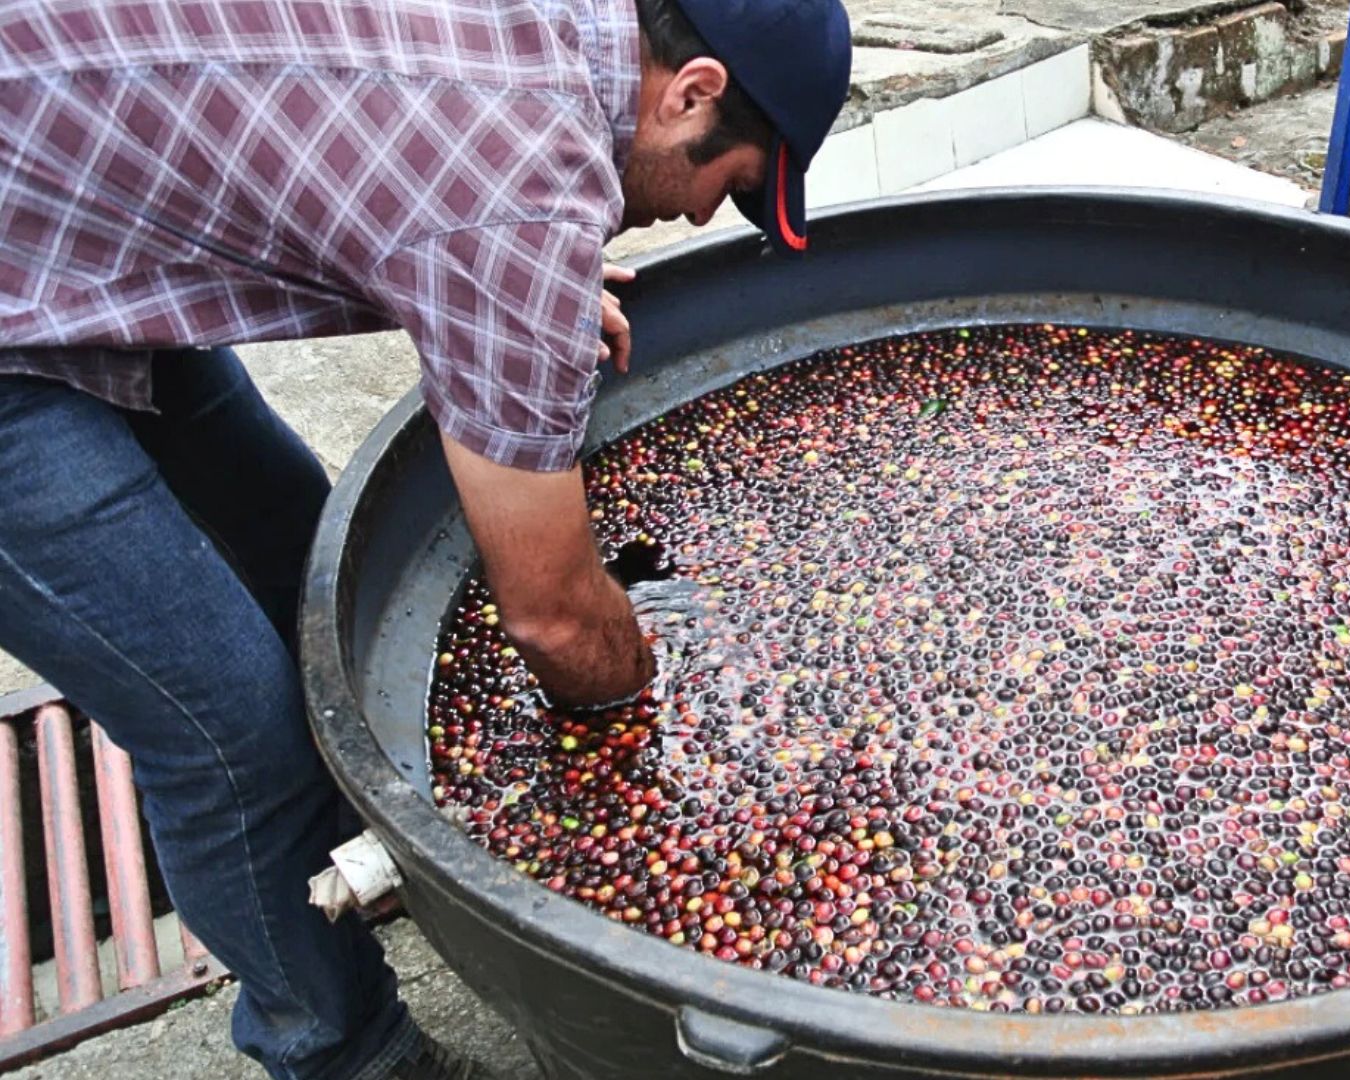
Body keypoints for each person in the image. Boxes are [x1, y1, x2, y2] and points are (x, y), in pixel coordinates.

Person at [0, 0, 850, 1075]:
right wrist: (649, 721)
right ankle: (344, 1045)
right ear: (692, 91)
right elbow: (548, 618)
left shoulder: (547, 47)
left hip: (73, 210)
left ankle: (321, 876)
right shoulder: (516, 204)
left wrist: (505, 284)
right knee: (229, 738)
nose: (694, 223)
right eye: (724, 187)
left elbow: (393, 145)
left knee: (295, 557)